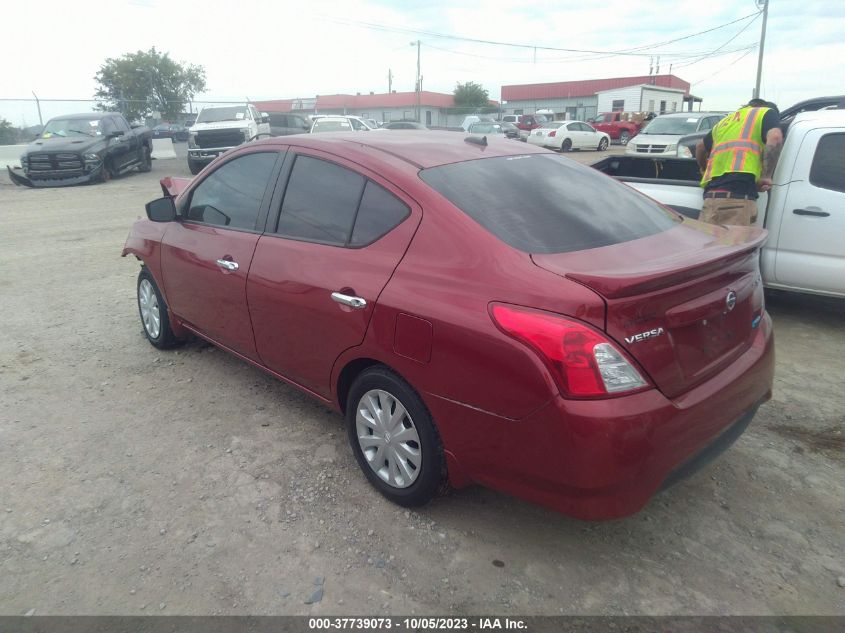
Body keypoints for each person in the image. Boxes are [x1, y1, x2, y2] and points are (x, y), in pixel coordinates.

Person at [695, 98, 783, 226]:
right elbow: (775, 137)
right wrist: (766, 177)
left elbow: (700, 147)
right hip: (737, 198)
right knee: (732, 245)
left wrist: (704, 169)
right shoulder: (766, 112)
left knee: (708, 244)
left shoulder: (726, 121)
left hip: (711, 197)